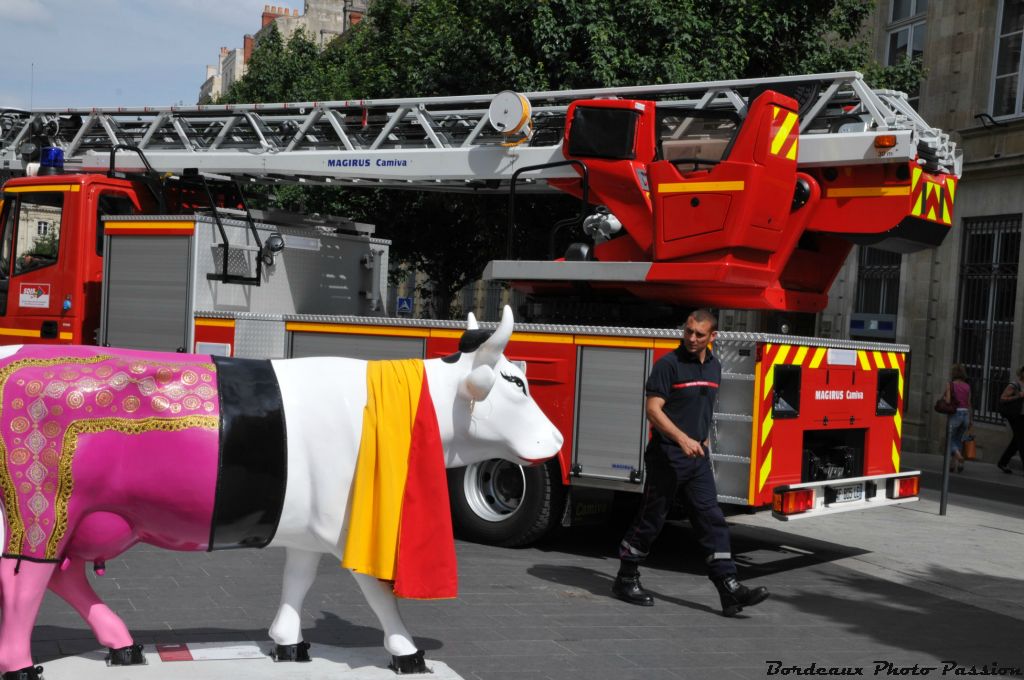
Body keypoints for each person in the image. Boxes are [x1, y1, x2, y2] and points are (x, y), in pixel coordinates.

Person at [612, 308, 769, 616]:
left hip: (697, 458)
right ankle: (626, 577)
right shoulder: (668, 365)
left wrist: (703, 438)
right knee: (652, 519)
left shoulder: (714, 367)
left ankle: (729, 587)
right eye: (688, 331)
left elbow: (703, 407)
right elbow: (654, 410)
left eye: (699, 334)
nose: (692, 338)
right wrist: (683, 439)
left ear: (713, 337)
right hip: (667, 456)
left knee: (712, 518)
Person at [943, 364, 973, 473]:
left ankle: (959, 456)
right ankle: (954, 465)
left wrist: (945, 396)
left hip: (955, 414)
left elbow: (947, 401)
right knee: (958, 440)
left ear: (953, 373)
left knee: (950, 439)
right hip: (965, 414)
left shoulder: (950, 385)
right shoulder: (967, 386)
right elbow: (969, 403)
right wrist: (970, 419)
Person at [997, 366, 1024, 474]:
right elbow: (1002, 398)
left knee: (1017, 441)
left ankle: (1003, 462)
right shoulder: (1014, 385)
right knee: (1022, 441)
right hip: (1016, 416)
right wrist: (1018, 396)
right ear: (1022, 372)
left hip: (1023, 416)